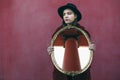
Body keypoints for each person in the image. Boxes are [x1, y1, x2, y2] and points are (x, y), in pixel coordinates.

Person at [48, 3, 95, 80]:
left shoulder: (83, 33)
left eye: (69, 13)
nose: (66, 16)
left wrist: (91, 49)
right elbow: (56, 54)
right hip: (61, 71)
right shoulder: (57, 33)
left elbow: (86, 55)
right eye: (64, 14)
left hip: (80, 71)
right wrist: (51, 51)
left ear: (75, 15)